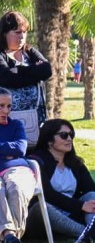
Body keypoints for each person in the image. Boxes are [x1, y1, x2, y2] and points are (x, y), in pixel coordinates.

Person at [27, 119, 95, 238]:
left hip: (70, 212)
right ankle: (85, 234)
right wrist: (80, 206)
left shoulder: (75, 163)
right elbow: (48, 194)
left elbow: (92, 188)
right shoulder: (36, 161)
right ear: (49, 140)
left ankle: (94, 229)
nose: (69, 139)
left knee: (93, 195)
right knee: (41, 207)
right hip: (44, 217)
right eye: (64, 135)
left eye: (71, 135)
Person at [0, 11, 52, 144]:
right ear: (5, 33)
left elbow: (47, 71)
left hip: (37, 119)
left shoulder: (30, 52)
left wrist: (19, 70)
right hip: (8, 122)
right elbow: (8, 79)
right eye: (17, 32)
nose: (22, 36)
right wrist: (35, 73)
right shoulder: (1, 55)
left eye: (24, 32)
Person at [0, 87, 37, 243]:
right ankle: (11, 242)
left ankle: (7, 242)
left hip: (18, 169)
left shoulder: (16, 125)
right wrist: (7, 149)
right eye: (1, 106)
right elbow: (13, 148)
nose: (6, 111)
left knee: (15, 187)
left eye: (9, 106)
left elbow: (21, 148)